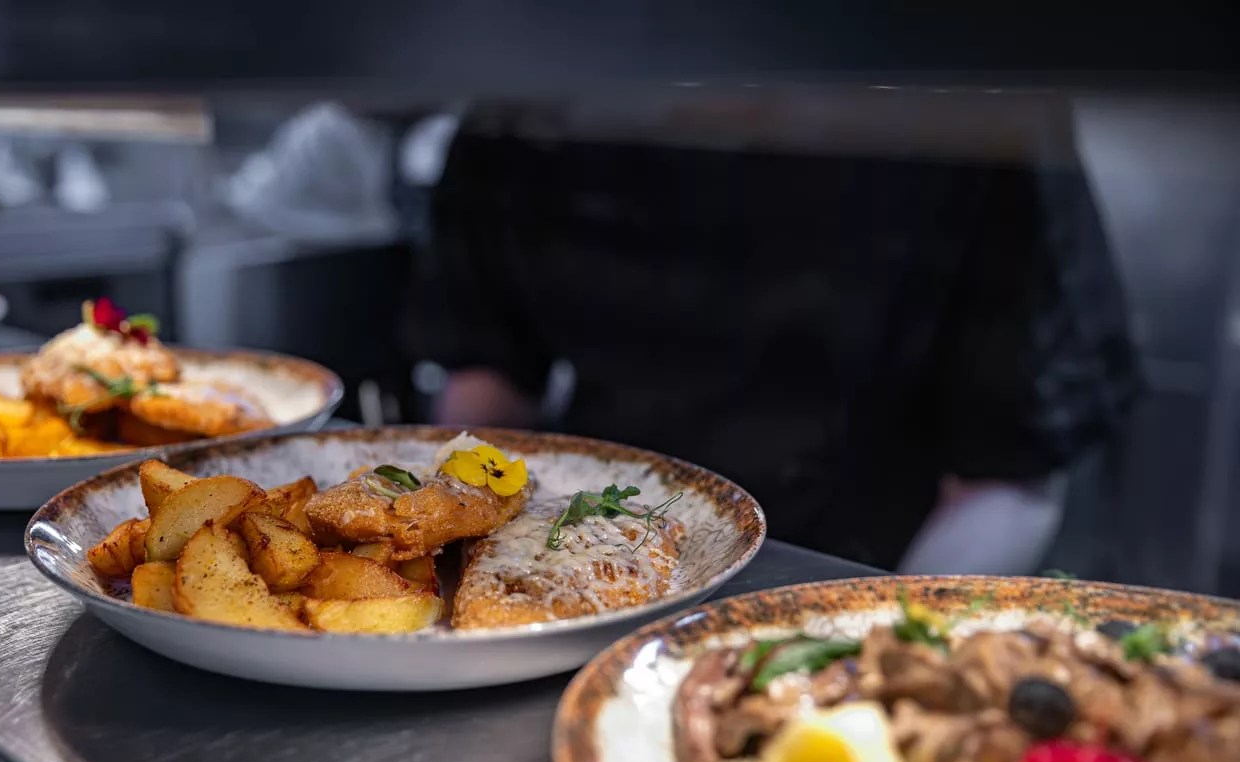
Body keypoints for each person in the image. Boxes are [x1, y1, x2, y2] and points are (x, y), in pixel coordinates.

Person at [403, 92, 1140, 573]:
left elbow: (1005, 475)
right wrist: (457, 564)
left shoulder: (969, 96)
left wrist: (871, 653)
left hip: (863, 561)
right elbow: (489, 379)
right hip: (584, 554)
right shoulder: (541, 85)